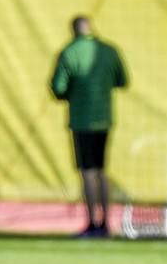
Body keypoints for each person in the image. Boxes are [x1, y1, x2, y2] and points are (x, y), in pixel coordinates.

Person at [50, 15, 128, 237]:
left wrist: (74, 93)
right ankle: (106, 222)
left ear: (73, 30)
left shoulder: (69, 52)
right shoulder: (110, 51)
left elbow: (58, 88)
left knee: (88, 171)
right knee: (102, 170)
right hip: (104, 118)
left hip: (82, 119)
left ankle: (93, 222)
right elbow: (122, 80)